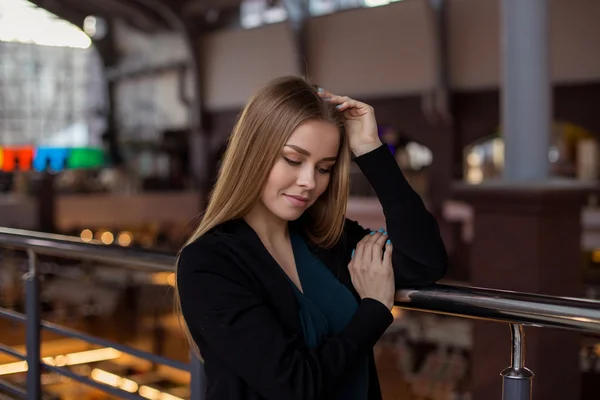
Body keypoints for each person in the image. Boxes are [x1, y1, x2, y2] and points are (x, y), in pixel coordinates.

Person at [176, 76, 447, 400]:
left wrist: (371, 150)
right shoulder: (208, 263)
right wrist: (374, 310)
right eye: (293, 159)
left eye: (324, 168)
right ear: (253, 153)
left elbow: (423, 262)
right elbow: (295, 384)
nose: (308, 182)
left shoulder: (329, 238)